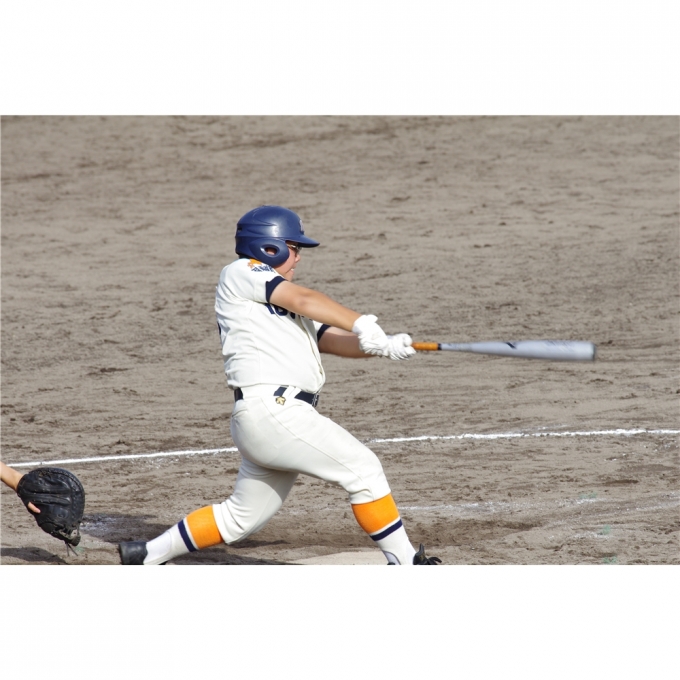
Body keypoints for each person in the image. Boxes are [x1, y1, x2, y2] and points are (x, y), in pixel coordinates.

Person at [119, 205, 441, 565]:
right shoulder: (242, 272)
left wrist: (382, 346)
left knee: (240, 518)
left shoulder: (273, 303)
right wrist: (362, 323)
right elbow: (305, 299)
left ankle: (144, 555)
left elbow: (331, 340)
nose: (298, 257)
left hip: (270, 418)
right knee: (364, 470)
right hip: (275, 413)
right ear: (268, 247)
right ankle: (406, 562)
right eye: (293, 247)